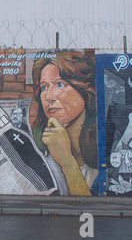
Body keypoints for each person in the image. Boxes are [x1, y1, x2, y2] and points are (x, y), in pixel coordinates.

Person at [32, 52, 98, 196]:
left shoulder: (104, 155)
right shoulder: (41, 157)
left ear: (84, 89)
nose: (49, 96)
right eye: (44, 87)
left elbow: (89, 211)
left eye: (60, 85)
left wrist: (67, 161)